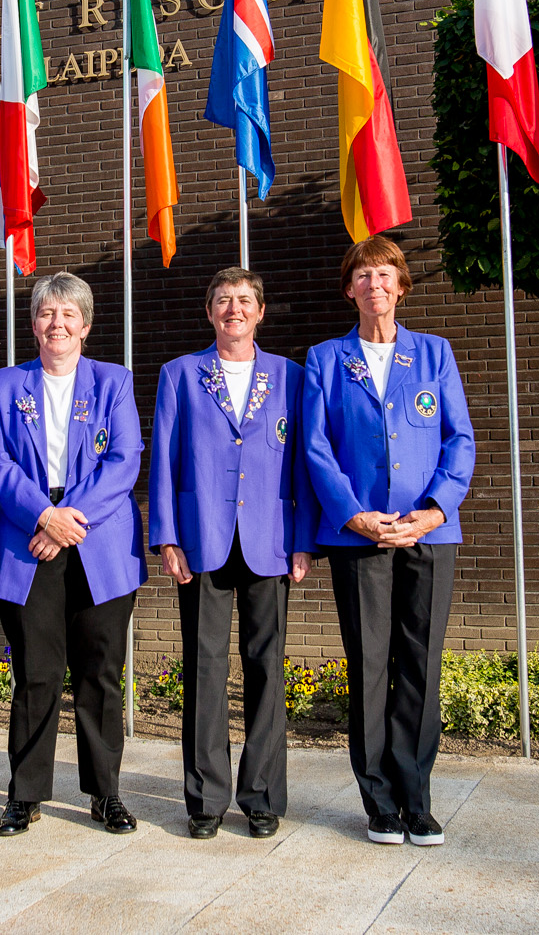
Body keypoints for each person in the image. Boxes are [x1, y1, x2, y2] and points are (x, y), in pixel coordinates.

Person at [301, 235, 475, 848]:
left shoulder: (434, 354)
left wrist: (432, 512)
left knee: (421, 666)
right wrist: (353, 516)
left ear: (401, 286)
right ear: (349, 289)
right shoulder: (325, 359)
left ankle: (417, 800)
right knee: (371, 666)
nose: (374, 285)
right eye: (362, 275)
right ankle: (378, 800)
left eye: (384, 275)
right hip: (361, 539)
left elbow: (459, 439)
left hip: (429, 533)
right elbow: (316, 447)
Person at [148, 267, 314, 840]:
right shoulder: (180, 375)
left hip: (270, 539)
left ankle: (262, 795)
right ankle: (206, 799)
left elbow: (303, 462)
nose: (234, 309)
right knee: (204, 668)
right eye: (223, 300)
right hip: (203, 539)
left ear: (260, 312)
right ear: (210, 312)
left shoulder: (291, 376)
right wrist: (167, 536)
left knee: (267, 667)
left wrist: (303, 539)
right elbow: (165, 460)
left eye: (244, 300)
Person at [0, 271, 144, 838]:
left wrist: (66, 520)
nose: (57, 323)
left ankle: (105, 793)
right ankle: (25, 794)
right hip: (28, 536)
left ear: (86, 326)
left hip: (98, 538)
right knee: (36, 672)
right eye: (47, 313)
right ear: (34, 325)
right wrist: (43, 515)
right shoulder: (4, 385)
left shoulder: (113, 381)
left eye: (68, 314)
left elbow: (124, 460)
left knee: (100, 671)